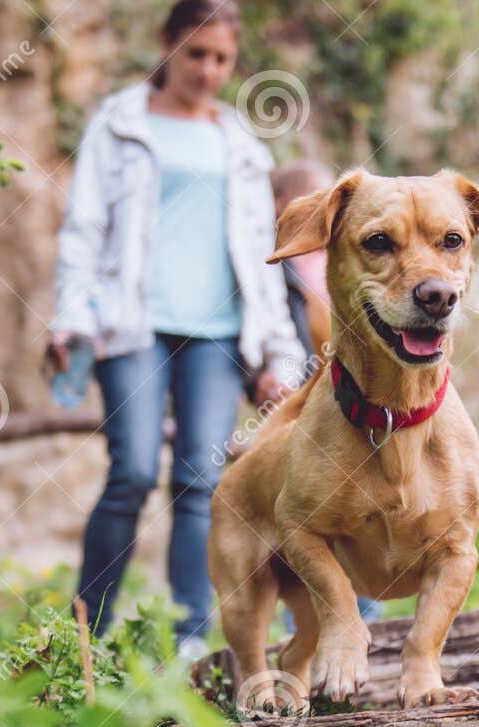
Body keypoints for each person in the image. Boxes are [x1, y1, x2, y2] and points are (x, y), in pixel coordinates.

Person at [49, 0, 304, 657]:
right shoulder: (119, 124)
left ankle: (190, 638)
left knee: (198, 480)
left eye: (222, 59)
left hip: (219, 334)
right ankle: (88, 632)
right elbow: (84, 229)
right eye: (196, 53)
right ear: (167, 43)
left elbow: (259, 253)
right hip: (131, 324)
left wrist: (277, 350)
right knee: (132, 470)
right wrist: (73, 316)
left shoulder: (240, 143)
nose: (208, 70)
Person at [268, 161, 383, 627]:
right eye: (312, 198)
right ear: (283, 207)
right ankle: (303, 628)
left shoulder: (349, 255)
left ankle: (368, 620)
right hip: (299, 400)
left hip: (353, 399)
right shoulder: (276, 265)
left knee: (363, 511)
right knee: (308, 518)